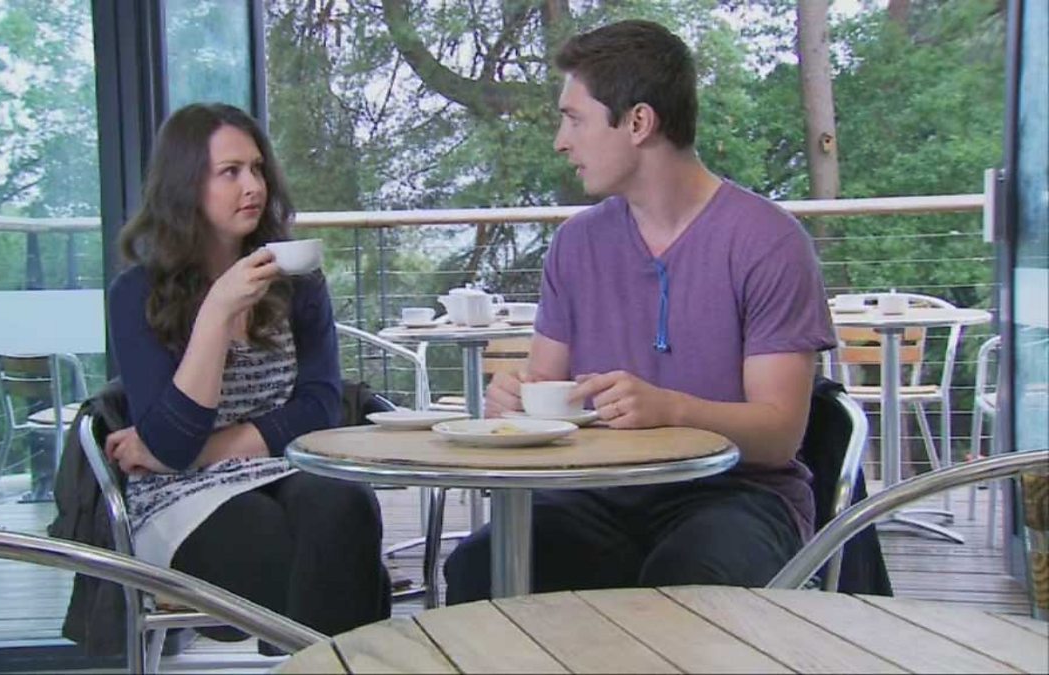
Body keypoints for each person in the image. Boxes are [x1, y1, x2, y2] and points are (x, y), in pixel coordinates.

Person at [443, 20, 837, 603]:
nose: (560, 141)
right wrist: (516, 401)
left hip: (735, 496)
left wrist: (670, 409)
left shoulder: (768, 242)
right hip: (594, 494)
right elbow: (546, 387)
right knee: (479, 569)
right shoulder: (575, 245)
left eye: (574, 119)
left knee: (687, 581)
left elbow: (778, 434)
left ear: (638, 123)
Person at [105, 102, 390, 640]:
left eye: (257, 168)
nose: (253, 186)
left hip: (283, 470)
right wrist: (217, 311)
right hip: (180, 497)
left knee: (345, 504)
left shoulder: (297, 281)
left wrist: (200, 451)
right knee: (288, 549)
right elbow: (172, 441)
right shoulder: (137, 293)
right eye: (230, 172)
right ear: (186, 185)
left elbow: (319, 410)